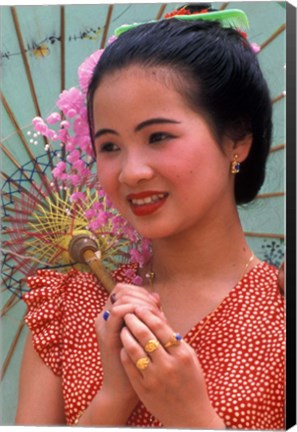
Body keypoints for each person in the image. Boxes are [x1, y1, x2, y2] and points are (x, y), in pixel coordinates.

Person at [15, 4, 285, 429]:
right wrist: (113, 397)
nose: (131, 172)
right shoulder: (69, 305)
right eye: (110, 146)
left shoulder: (280, 311)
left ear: (237, 139)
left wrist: (191, 416)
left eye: (158, 136)